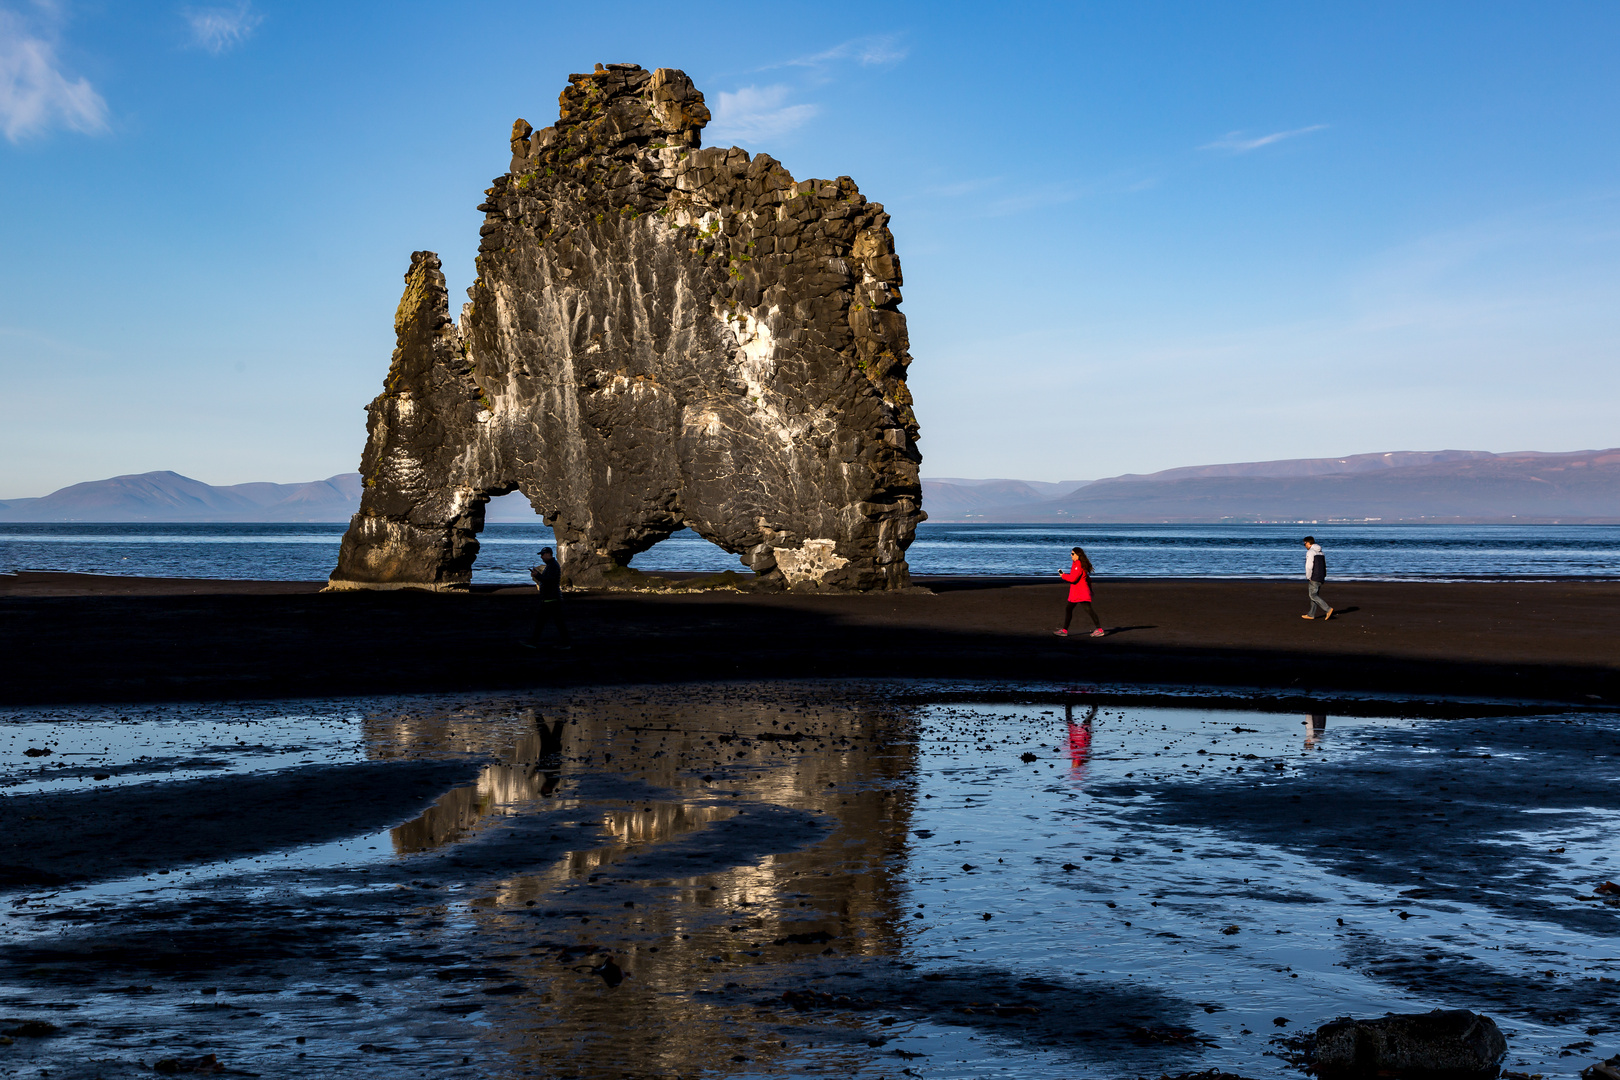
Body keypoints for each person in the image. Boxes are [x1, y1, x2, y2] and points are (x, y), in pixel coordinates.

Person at [520, 546, 571, 648]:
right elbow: (548, 579)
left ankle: (534, 642)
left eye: (543, 555)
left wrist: (537, 576)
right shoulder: (552, 565)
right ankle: (565, 643)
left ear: (548, 554)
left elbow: (549, 580)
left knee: (546, 622)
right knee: (553, 622)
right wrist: (538, 575)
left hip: (551, 599)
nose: (542, 557)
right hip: (551, 598)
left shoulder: (553, 566)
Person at [1055, 546, 1105, 637]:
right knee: (1069, 609)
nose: (1071, 555)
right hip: (1077, 593)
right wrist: (1090, 589)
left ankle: (1100, 629)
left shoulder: (1078, 564)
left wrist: (1063, 575)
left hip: (1080, 593)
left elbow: (1073, 578)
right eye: (1071, 553)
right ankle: (1064, 630)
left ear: (1078, 555)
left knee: (1088, 610)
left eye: (1072, 554)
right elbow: (1087, 579)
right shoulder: (1077, 563)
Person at [1301, 536, 1334, 620]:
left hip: (1314, 576)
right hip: (1321, 576)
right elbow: (1324, 565)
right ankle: (1311, 614)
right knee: (1315, 595)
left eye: (1305, 544)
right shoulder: (1321, 552)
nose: (1305, 546)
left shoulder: (1311, 552)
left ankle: (1328, 609)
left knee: (1312, 595)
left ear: (1308, 543)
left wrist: (1308, 576)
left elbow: (1309, 566)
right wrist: (1324, 575)